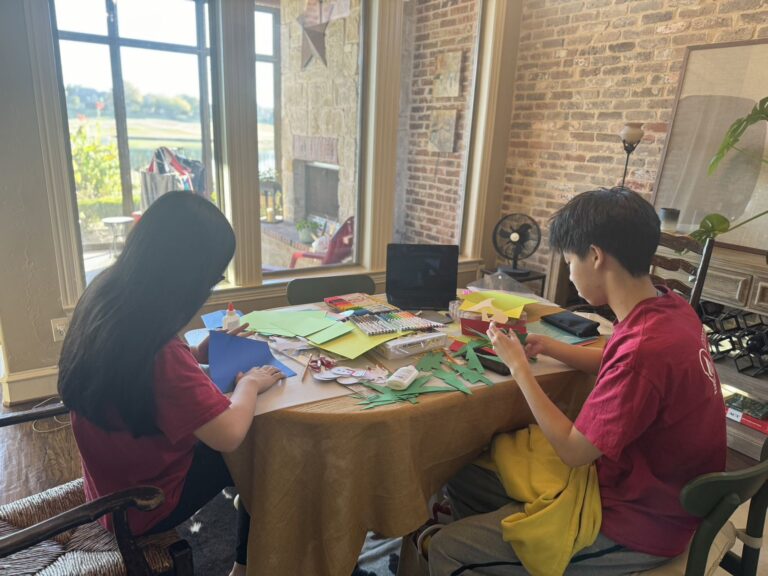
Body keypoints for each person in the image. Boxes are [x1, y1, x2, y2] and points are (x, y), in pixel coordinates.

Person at [428, 186, 727, 575]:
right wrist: (552, 347)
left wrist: (519, 369)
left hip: (639, 523)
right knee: (463, 472)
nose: (570, 272)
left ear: (596, 256)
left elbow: (573, 450)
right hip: (650, 488)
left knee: (446, 549)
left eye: (570, 261)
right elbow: (614, 360)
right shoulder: (669, 308)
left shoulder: (644, 350)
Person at [58, 191, 283, 576]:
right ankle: (246, 567)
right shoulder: (159, 350)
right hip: (144, 503)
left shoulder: (106, 298)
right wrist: (249, 384)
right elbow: (228, 435)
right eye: (212, 280)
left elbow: (139, 376)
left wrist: (196, 353)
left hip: (107, 484)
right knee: (262, 449)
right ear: (188, 279)